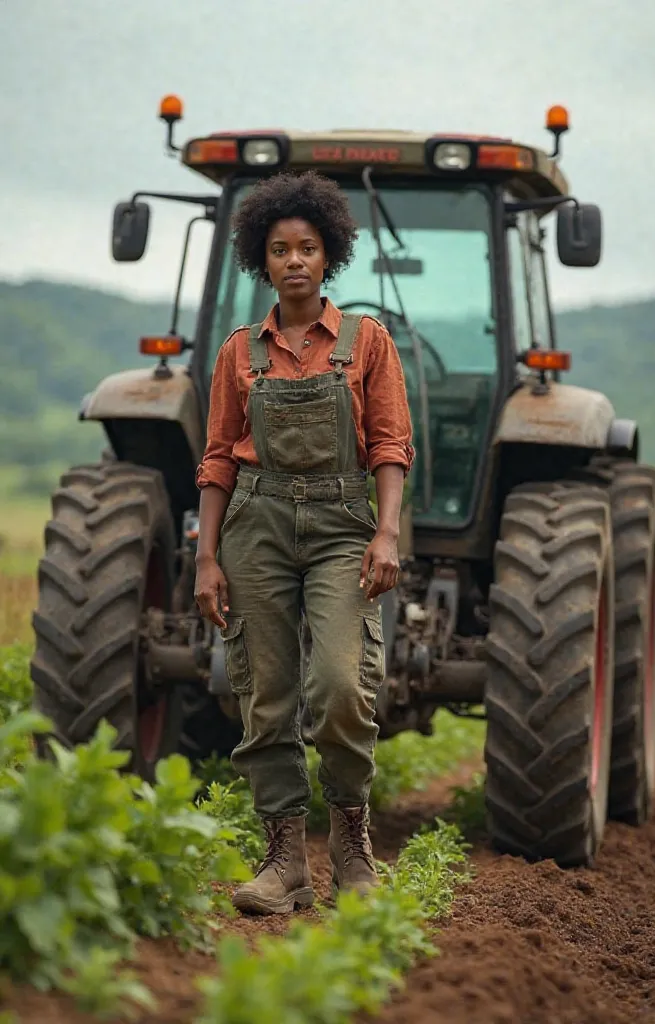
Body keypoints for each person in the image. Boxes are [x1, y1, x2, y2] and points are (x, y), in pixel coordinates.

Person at [194, 170, 414, 916]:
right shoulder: (238, 353)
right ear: (264, 259)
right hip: (254, 527)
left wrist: (386, 532)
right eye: (281, 249)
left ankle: (352, 842)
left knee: (339, 687)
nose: (294, 260)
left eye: (308, 248)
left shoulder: (367, 343)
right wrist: (205, 555)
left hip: (344, 529)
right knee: (265, 694)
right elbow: (219, 456)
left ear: (329, 258)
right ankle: (285, 860)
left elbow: (389, 444)